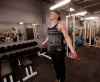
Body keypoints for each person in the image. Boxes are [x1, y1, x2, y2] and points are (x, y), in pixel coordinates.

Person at [42, 10, 77, 82]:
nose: (50, 14)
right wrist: (45, 42)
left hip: (59, 50)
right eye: (50, 13)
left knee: (61, 66)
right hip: (51, 49)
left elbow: (67, 37)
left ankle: (62, 80)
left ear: (57, 16)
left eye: (52, 13)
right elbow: (49, 36)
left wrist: (73, 50)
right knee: (55, 65)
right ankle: (58, 78)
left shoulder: (60, 25)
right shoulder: (49, 26)